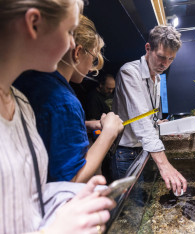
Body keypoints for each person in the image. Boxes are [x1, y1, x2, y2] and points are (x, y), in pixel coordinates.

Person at [0, 0, 115, 233]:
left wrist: (69, 196)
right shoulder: (59, 99)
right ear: (34, 24)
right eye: (70, 31)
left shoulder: (20, 101)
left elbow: (29, 194)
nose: (73, 44)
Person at [14, 14, 124, 184]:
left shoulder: (30, 81)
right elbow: (71, 179)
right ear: (78, 52)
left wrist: (86, 125)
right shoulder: (64, 102)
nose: (91, 67)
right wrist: (109, 133)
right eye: (93, 57)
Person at [112, 25, 187, 196]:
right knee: (130, 211)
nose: (165, 64)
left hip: (144, 151)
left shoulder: (159, 78)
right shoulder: (129, 73)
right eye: (161, 57)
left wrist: (158, 124)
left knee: (145, 201)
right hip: (126, 153)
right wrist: (164, 165)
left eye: (171, 59)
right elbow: (140, 123)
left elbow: (148, 115)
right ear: (148, 48)